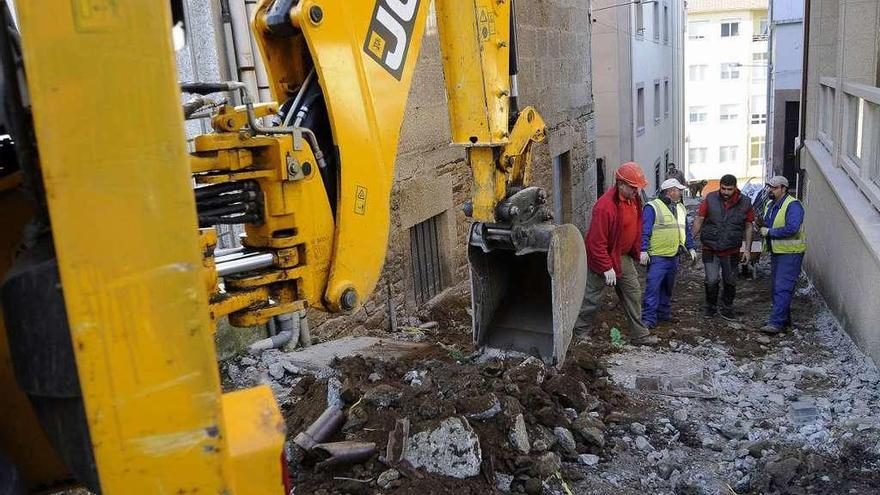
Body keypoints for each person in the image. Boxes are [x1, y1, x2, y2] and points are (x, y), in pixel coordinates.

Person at [575, 162, 658, 345]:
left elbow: (636, 224)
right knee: (591, 298)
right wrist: (606, 267)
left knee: (633, 292)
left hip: (623, 255)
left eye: (638, 187)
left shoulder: (634, 199)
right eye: (633, 187)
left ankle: (639, 335)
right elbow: (595, 242)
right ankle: (580, 335)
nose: (637, 190)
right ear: (621, 184)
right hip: (602, 257)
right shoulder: (604, 207)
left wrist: (639, 250)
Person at [692, 174, 754, 320]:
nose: (726, 192)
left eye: (729, 189)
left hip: (731, 249)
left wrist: (747, 250)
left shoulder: (745, 202)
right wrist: (689, 241)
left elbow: (748, 226)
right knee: (711, 279)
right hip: (710, 248)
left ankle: (727, 306)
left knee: (730, 280)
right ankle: (711, 306)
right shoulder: (710, 198)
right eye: (723, 189)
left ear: (735, 188)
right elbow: (699, 220)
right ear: (720, 186)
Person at [639, 178, 697, 329]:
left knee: (667, 287)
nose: (680, 192)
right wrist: (643, 250)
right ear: (670, 191)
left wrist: (691, 247)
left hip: (673, 255)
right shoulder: (652, 207)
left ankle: (663, 315)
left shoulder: (680, 208)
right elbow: (645, 230)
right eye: (678, 190)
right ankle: (649, 319)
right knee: (653, 287)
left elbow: (686, 232)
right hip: (658, 256)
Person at [759, 176, 806, 334]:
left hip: (790, 253)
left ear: (784, 188)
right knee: (777, 287)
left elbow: (792, 228)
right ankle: (783, 320)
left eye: (774, 188)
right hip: (777, 252)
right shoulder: (771, 205)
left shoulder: (793, 205)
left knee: (782, 287)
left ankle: (776, 322)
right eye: (770, 187)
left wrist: (770, 232)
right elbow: (768, 223)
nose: (770, 190)